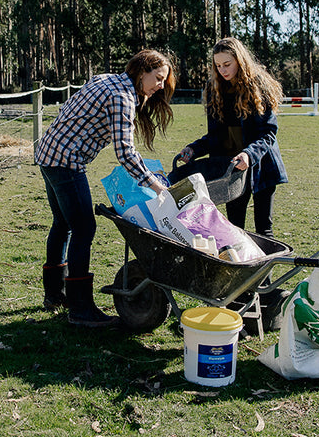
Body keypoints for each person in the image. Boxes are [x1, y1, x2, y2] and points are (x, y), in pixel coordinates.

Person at [35, 49, 176, 328]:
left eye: (163, 81)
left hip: (47, 154)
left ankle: (55, 296)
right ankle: (80, 309)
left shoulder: (108, 79)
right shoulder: (122, 97)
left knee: (63, 224)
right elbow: (124, 153)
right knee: (84, 228)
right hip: (66, 161)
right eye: (157, 78)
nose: (160, 85)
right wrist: (156, 185)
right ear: (142, 71)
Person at [173, 37, 287, 238]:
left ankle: (265, 269)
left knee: (264, 229)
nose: (223, 70)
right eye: (218, 66)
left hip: (261, 165)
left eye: (227, 64)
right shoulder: (214, 90)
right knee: (234, 228)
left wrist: (249, 155)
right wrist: (194, 149)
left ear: (240, 61)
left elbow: (268, 132)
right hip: (232, 168)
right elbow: (215, 136)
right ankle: (240, 267)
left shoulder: (257, 86)